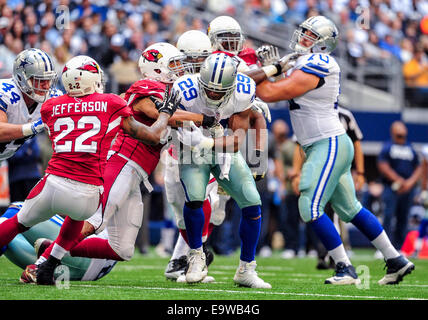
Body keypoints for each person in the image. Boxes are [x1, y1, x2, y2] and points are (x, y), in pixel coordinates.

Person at [28, 43, 216, 284]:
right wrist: (205, 119)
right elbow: (161, 116)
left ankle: (52, 248)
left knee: (122, 249)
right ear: (156, 69)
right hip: (122, 160)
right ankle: (42, 264)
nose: (179, 68)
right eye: (173, 64)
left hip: (137, 173)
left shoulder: (168, 91)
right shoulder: (147, 87)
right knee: (95, 220)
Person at [253, 15, 414, 285]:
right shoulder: (304, 62)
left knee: (310, 206)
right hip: (325, 143)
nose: (302, 38)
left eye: (310, 36)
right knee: (350, 208)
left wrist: (268, 70)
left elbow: (269, 93)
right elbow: (279, 86)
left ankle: (345, 268)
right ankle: (395, 259)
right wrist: (275, 69)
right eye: (303, 32)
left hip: (327, 143)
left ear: (324, 45)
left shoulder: (320, 63)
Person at [0, 54, 180, 285]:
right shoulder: (111, 104)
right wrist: (164, 113)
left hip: (53, 181)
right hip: (87, 192)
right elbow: (154, 136)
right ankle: (48, 263)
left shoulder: (52, 105)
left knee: (17, 223)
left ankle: (45, 261)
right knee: (78, 218)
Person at [174, 53, 271, 289]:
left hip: (221, 145)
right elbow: (168, 116)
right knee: (195, 197)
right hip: (190, 146)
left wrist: (207, 142)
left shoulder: (243, 89)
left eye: (219, 91)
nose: (213, 95)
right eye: (208, 89)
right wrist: (197, 121)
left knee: (252, 200)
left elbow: (237, 139)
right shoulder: (185, 88)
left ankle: (246, 268)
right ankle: (196, 256)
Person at [0, 202, 117, 283]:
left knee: (18, 209)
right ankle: (50, 253)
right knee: (9, 238)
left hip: (90, 249)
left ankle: (52, 250)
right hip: (91, 273)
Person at [0, 48, 61, 161]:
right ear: (21, 78)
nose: (47, 86)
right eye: (40, 80)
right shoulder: (5, 92)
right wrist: (32, 127)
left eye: (49, 80)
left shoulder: (53, 97)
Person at [377, 121, 422, 252]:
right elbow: (382, 165)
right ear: (393, 133)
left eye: (402, 134)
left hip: (408, 189)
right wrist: (398, 180)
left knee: (404, 218)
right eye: (398, 134)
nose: (401, 137)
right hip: (391, 187)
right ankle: (384, 248)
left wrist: (410, 182)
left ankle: (399, 248)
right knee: (388, 216)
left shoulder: (410, 148)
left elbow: (418, 167)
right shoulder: (388, 147)